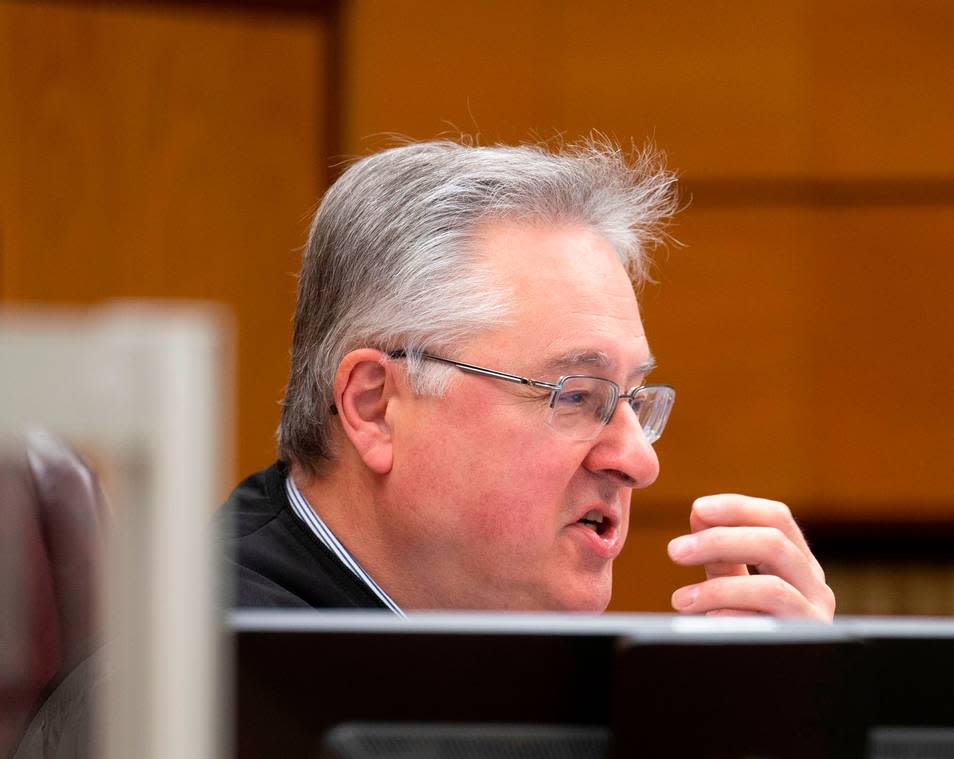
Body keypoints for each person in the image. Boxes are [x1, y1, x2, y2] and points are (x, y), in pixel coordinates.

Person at [216, 137, 834, 620]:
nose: (638, 462)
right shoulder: (195, 679)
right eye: (576, 396)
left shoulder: (512, 640)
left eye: (632, 399)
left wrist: (777, 722)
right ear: (377, 407)